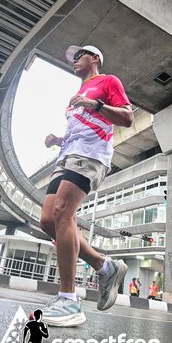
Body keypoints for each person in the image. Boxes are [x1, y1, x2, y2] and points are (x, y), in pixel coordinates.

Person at [39, 44, 133, 327]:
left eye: (80, 55)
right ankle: (105, 266)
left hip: (91, 154)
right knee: (48, 220)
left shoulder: (108, 81)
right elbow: (76, 129)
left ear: (95, 58)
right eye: (74, 58)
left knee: (63, 213)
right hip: (67, 155)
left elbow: (127, 118)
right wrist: (58, 140)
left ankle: (68, 300)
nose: (75, 60)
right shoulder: (74, 97)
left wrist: (96, 105)